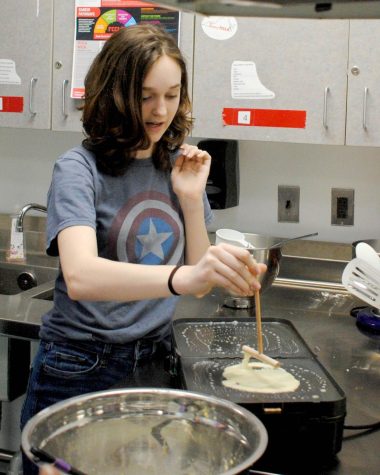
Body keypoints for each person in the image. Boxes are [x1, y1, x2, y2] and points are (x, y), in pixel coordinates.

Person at [21, 24, 266, 474]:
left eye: (172, 95)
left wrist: (192, 199)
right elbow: (81, 277)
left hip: (154, 360)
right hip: (80, 366)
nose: (160, 111)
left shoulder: (176, 164)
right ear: (114, 94)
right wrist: (181, 278)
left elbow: (197, 278)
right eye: (146, 95)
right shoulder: (78, 169)